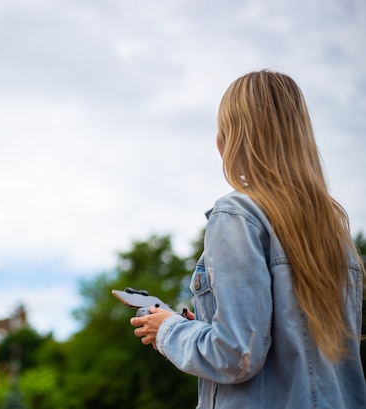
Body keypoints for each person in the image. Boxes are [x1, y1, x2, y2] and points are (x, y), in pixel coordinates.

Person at [130, 70, 366, 408]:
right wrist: (208, 326)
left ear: (229, 139)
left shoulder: (237, 215)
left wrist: (168, 329)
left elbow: (236, 353)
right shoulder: (334, 229)